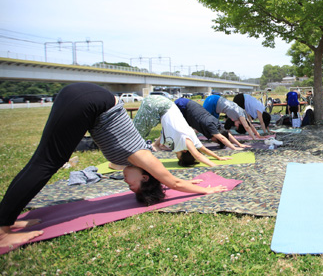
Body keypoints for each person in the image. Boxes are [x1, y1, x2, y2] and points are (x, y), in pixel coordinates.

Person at [0, 83, 227, 248]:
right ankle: (2, 231)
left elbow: (169, 181)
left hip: (86, 98)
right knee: (47, 162)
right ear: (145, 176)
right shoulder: (142, 157)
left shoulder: (123, 162)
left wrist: (187, 181)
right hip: (91, 101)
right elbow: (173, 181)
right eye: (133, 187)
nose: (127, 186)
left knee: (45, 161)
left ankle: (7, 222)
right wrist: (207, 189)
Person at [133, 95, 231, 168]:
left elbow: (204, 150)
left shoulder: (194, 140)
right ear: (184, 151)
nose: (176, 154)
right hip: (159, 105)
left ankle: (127, 158)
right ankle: (123, 161)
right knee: (134, 136)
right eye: (178, 155)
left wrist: (218, 157)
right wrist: (214, 165)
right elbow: (198, 155)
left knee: (137, 135)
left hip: (164, 104)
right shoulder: (186, 141)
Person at [174, 98, 250, 150]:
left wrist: (239, 144)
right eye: (215, 141)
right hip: (182, 106)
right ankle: (163, 145)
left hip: (189, 105)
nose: (213, 141)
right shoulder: (210, 126)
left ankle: (163, 144)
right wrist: (234, 148)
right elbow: (222, 138)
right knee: (175, 126)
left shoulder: (217, 124)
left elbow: (226, 135)